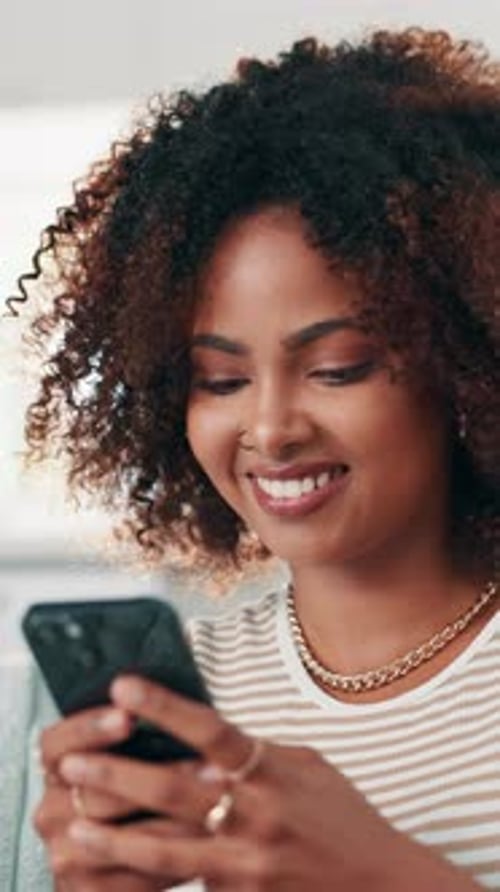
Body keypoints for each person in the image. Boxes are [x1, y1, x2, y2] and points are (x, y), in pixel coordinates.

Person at [10, 25, 499, 891]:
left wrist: (382, 876)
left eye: (337, 368)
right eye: (221, 379)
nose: (270, 430)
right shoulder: (169, 702)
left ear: (463, 360)